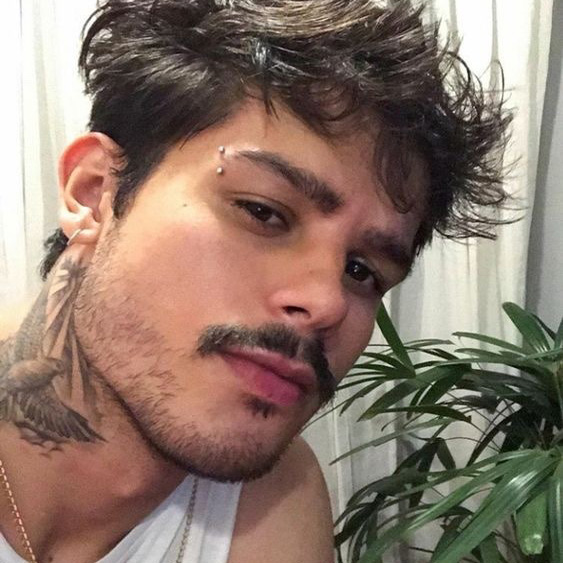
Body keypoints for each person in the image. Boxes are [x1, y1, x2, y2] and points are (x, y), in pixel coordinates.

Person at [0, 0, 510, 561]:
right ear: (95, 192)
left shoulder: (278, 502)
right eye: (263, 212)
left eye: (361, 271)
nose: (327, 303)